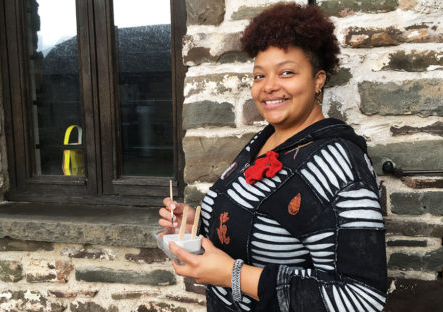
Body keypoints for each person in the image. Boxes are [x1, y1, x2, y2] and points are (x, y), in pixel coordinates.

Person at [158, 2, 387, 311]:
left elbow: (361, 298)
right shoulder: (265, 140)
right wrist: (195, 227)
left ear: (318, 80)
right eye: (258, 76)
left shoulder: (338, 163)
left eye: (287, 72)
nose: (268, 87)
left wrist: (232, 276)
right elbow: (256, 226)